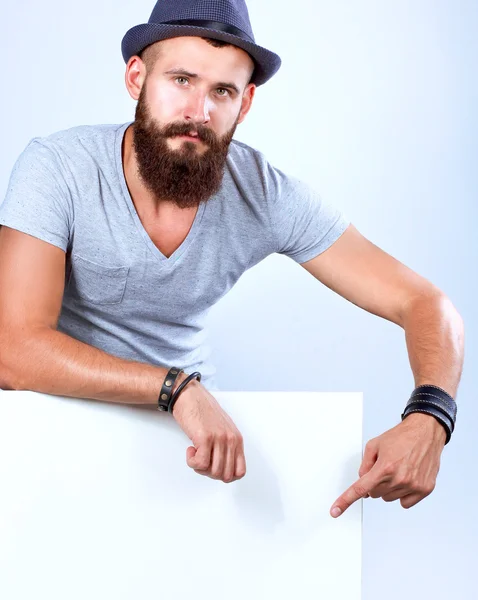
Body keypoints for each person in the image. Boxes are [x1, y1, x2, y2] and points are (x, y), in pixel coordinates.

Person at [0, 0, 464, 517]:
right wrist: (175, 388)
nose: (198, 113)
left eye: (221, 91)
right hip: (47, 433)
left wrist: (431, 416)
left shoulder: (263, 194)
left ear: (245, 103)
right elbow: (13, 349)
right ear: (137, 78)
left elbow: (426, 303)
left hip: (185, 449)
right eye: (181, 80)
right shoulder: (58, 168)